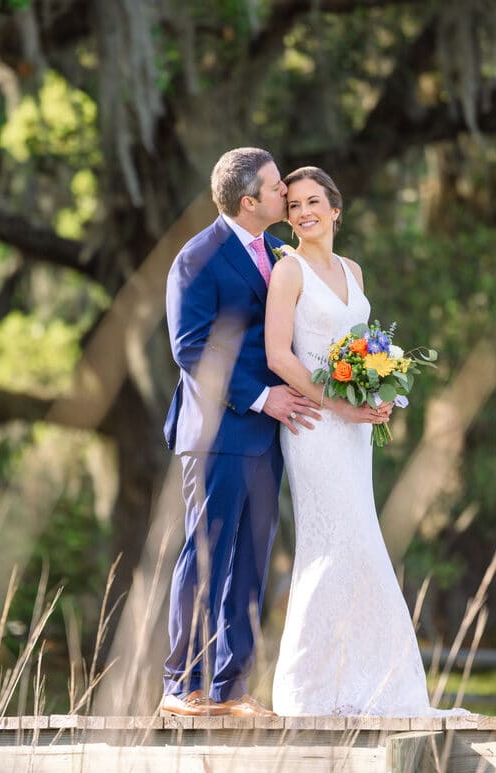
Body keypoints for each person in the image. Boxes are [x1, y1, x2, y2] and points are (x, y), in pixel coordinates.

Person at [264, 166, 465, 717]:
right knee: (332, 547)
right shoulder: (289, 271)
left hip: (353, 433)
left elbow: (358, 349)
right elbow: (279, 355)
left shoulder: (353, 270)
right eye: (294, 206)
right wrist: (340, 406)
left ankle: (369, 683)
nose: (303, 212)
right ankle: (308, 690)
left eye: (313, 202)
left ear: (335, 208)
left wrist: (376, 395)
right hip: (314, 427)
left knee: (360, 545)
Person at [161, 148, 322, 717]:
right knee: (207, 554)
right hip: (216, 432)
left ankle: (231, 688)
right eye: (279, 188)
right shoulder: (197, 258)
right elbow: (190, 347)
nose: (288, 194)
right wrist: (260, 395)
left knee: (253, 558)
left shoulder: (279, 252)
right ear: (250, 201)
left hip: (269, 435)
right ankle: (182, 686)